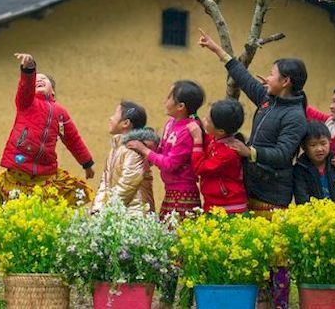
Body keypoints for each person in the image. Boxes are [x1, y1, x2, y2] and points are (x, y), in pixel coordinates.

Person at [198, 29, 308, 309]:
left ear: (286, 82)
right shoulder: (268, 100)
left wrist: (251, 152)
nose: (266, 78)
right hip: (252, 187)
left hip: (274, 194)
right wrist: (216, 49)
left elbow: (283, 154)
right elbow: (244, 78)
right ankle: (259, 300)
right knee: (254, 251)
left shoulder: (295, 116)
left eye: (272, 74)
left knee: (277, 256)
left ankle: (279, 304)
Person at [128, 80, 204, 309]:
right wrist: (150, 149)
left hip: (185, 196)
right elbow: (162, 151)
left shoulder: (189, 130)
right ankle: (167, 300)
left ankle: (185, 301)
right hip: (171, 195)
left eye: (169, 97)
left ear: (181, 106)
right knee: (168, 250)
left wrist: (144, 150)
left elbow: (170, 163)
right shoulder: (170, 124)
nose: (165, 100)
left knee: (185, 252)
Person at [0, 52, 95, 206]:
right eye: (36, 80)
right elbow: (25, 86)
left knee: (69, 193)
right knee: (18, 207)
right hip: (20, 166)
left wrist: (87, 164)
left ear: (53, 91)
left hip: (45, 172)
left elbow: (73, 140)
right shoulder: (26, 103)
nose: (39, 80)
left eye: (44, 79)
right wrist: (29, 69)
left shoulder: (61, 113)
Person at [92, 101, 156, 216]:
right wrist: (97, 208)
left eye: (115, 114)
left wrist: (106, 210)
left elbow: (127, 185)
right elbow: (105, 182)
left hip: (135, 215)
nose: (110, 118)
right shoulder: (116, 148)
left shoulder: (133, 150)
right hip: (118, 213)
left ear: (126, 123)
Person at [189, 99, 248, 214]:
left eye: (208, 120)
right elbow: (206, 138)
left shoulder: (228, 153)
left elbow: (199, 168)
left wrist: (197, 140)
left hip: (228, 207)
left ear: (221, 131)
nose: (204, 121)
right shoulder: (216, 138)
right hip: (214, 203)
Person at [293, 122, 335, 205]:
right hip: (313, 212)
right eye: (313, 145)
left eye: (323, 143)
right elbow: (301, 198)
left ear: (330, 142)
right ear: (304, 147)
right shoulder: (300, 169)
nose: (319, 149)